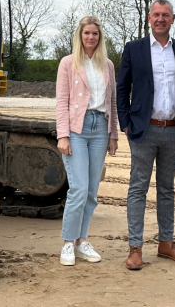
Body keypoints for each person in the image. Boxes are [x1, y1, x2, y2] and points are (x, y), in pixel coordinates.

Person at [117, 0, 175, 270]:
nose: (161, 19)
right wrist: (125, 122)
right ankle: (135, 247)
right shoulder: (134, 49)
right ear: (149, 18)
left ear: (173, 19)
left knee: (167, 188)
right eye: (156, 15)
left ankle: (166, 243)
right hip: (143, 129)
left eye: (166, 15)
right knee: (138, 188)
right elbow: (122, 88)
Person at [55, 16, 119, 266]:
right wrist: (63, 134)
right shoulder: (68, 63)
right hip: (77, 129)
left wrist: (113, 135)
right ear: (80, 36)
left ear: (100, 37)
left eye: (95, 34)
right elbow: (61, 101)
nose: (91, 37)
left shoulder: (108, 65)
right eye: (87, 33)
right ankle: (68, 243)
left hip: (100, 128)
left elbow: (112, 102)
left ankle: (82, 241)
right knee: (79, 188)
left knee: (92, 191)